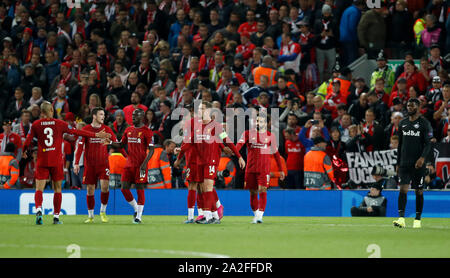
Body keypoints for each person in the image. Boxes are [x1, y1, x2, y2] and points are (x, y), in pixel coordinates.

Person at [23, 101, 111, 225]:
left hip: (42, 160)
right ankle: (56, 217)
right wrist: (95, 134)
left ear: (41, 112)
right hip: (56, 161)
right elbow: (77, 132)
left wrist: (24, 151)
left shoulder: (36, 125)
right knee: (57, 189)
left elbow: (27, 141)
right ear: (52, 111)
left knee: (39, 188)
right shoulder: (60, 123)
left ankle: (38, 209)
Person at [108, 109, 155, 224]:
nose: (133, 117)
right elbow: (121, 144)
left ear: (142, 117)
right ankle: (135, 208)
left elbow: (152, 150)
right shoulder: (128, 130)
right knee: (124, 188)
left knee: (140, 189)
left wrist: (144, 164)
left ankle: (138, 216)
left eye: (136, 116)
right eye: (132, 115)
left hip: (141, 165)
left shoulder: (147, 131)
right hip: (129, 164)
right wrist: (109, 142)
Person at [236, 113, 285, 223]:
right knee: (253, 192)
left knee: (263, 190)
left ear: (266, 123)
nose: (258, 123)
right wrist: (236, 153)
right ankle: (256, 215)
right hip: (251, 168)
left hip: (264, 169)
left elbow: (276, 154)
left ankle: (260, 216)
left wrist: (281, 169)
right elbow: (239, 146)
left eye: (261, 121)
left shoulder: (270, 136)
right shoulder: (247, 134)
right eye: (257, 121)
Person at [393, 98, 433, 229]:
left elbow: (428, 144)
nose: (409, 108)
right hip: (405, 163)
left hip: (418, 165)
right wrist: (398, 163)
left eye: (412, 106)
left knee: (419, 191)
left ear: (418, 107)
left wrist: (422, 159)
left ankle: (417, 219)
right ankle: (401, 219)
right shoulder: (403, 123)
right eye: (408, 106)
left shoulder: (424, 123)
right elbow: (400, 145)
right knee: (403, 189)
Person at [73, 108, 118, 223]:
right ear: (94, 116)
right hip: (90, 165)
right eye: (101, 114)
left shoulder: (107, 129)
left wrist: (111, 142)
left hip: (103, 164)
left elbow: (118, 143)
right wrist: (77, 162)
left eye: (104, 114)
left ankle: (103, 211)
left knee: (104, 187)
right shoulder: (86, 129)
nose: (103, 116)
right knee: (90, 189)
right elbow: (80, 147)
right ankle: (91, 215)